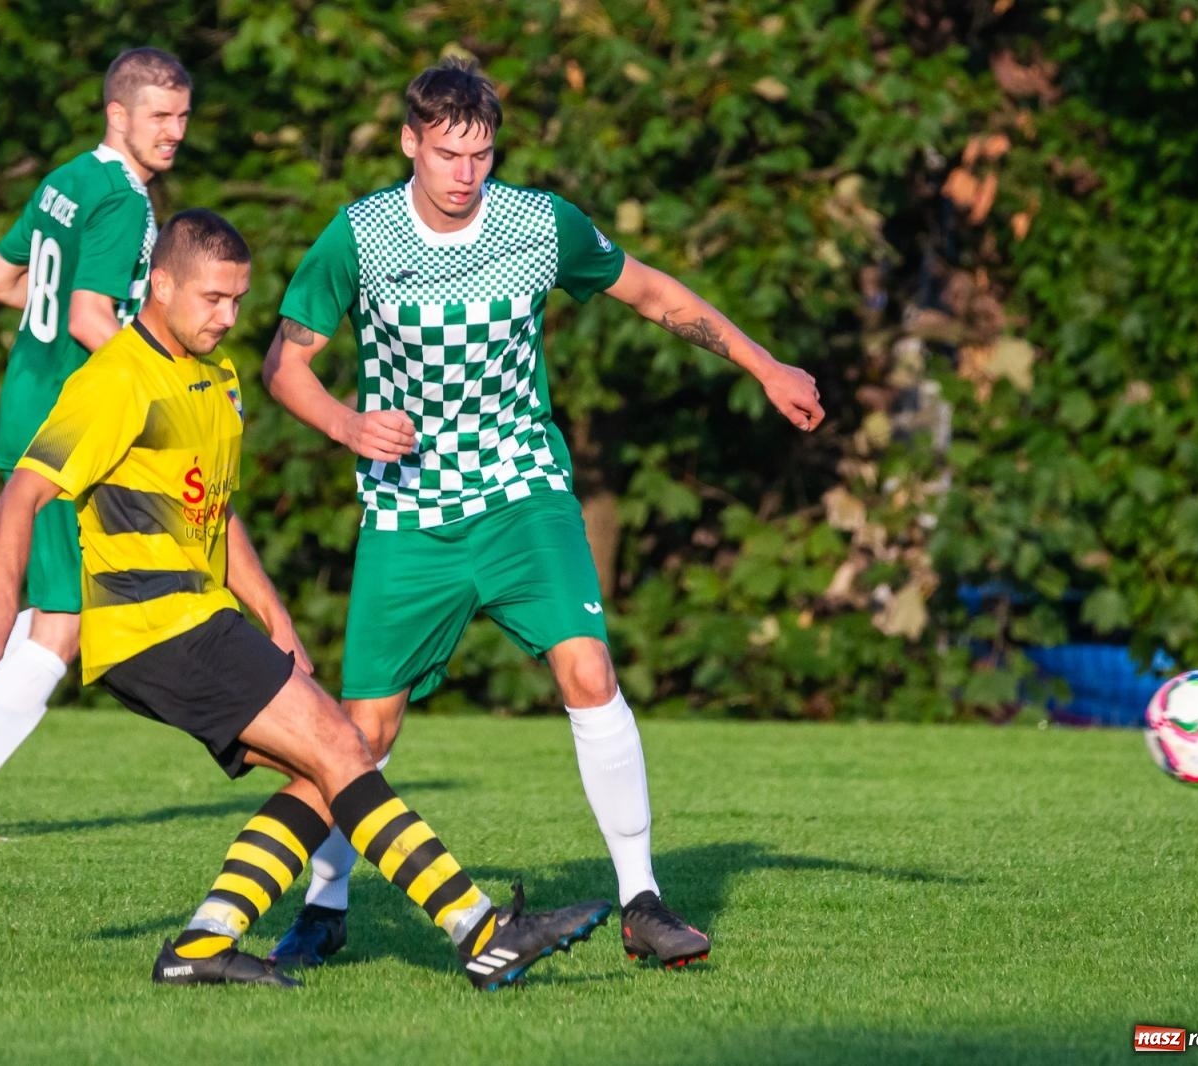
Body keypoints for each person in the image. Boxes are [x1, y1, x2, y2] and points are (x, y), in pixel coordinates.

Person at [0, 207, 611, 989]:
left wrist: (276, 617)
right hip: (155, 624)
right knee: (345, 747)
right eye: (211, 299)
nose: (227, 318)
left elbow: (214, 511)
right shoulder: (116, 378)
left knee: (323, 770)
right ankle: (481, 930)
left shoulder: (212, 375)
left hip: (200, 619)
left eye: (237, 301)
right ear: (160, 285)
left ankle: (200, 946)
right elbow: (22, 494)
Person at [261, 58, 824, 969]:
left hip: (523, 492)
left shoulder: (538, 222)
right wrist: (346, 423)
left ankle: (642, 901)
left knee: (589, 668)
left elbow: (653, 294)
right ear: (410, 143)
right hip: (410, 514)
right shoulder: (359, 234)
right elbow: (285, 364)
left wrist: (765, 366)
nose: (464, 173)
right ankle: (325, 910)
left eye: (480, 154)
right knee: (359, 734)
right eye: (447, 153)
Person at [0, 47, 193, 842]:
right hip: (69, 421)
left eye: (182, 116)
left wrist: (55, 320)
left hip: (28, 404)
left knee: (52, 605)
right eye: (159, 116)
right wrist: (163, 389)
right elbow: (92, 315)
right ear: (116, 115)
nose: (174, 132)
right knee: (62, 623)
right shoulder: (122, 201)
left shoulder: (65, 180)